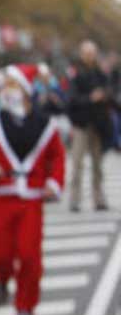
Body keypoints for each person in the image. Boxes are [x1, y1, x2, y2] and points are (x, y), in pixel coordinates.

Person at [0, 64, 65, 315]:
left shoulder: (45, 124)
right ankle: (2, 278)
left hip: (30, 198)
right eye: (5, 85)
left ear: (25, 90)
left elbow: (57, 157)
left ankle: (26, 304)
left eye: (12, 85)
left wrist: (54, 183)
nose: (6, 90)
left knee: (29, 254)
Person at [66, 40, 111, 211]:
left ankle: (99, 197)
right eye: (87, 53)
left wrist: (105, 95)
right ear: (81, 54)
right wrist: (90, 98)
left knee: (97, 164)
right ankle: (75, 198)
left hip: (98, 124)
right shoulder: (75, 73)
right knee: (77, 162)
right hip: (81, 124)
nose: (90, 56)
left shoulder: (101, 73)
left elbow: (110, 91)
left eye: (92, 53)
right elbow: (71, 99)